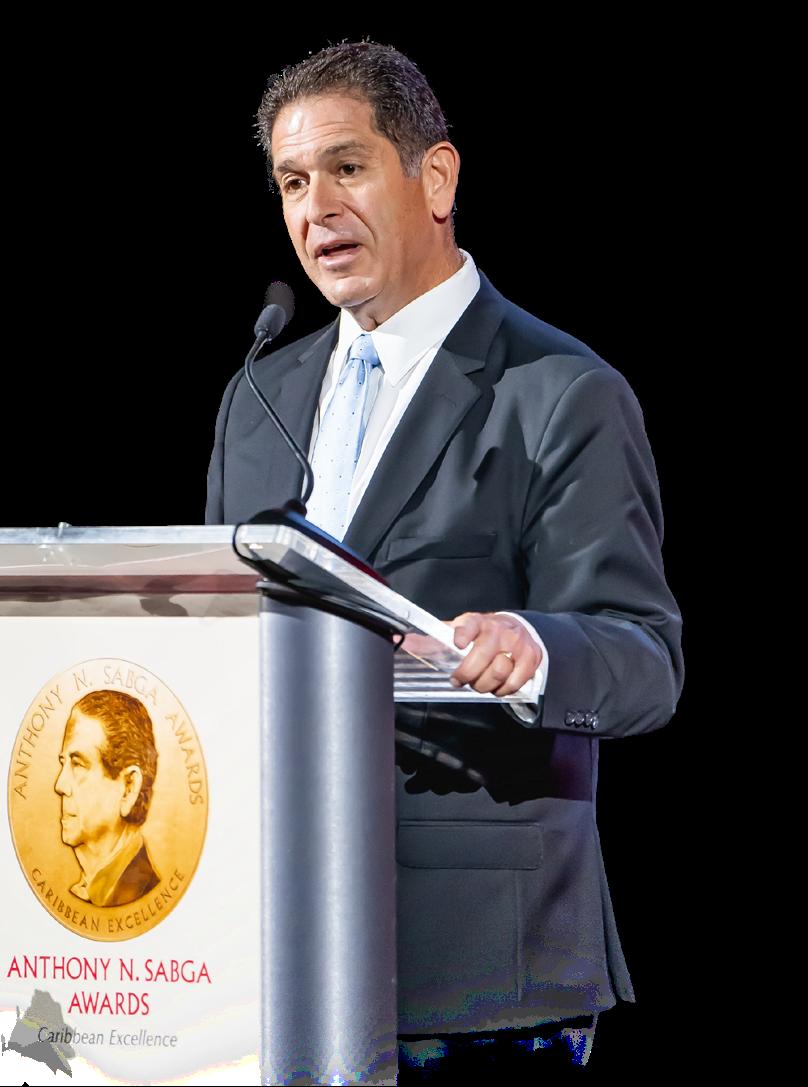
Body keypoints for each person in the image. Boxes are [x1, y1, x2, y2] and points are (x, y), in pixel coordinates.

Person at [205, 41, 683, 1072]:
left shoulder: (558, 391)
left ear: (436, 178)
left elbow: (645, 656)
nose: (317, 209)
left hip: (478, 969)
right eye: (293, 182)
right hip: (273, 945)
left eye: (347, 167)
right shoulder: (258, 399)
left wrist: (534, 646)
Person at [54, 689, 161, 908]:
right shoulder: (84, 894)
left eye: (78, 764)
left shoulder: (139, 893)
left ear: (129, 787)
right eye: (63, 763)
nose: (60, 785)